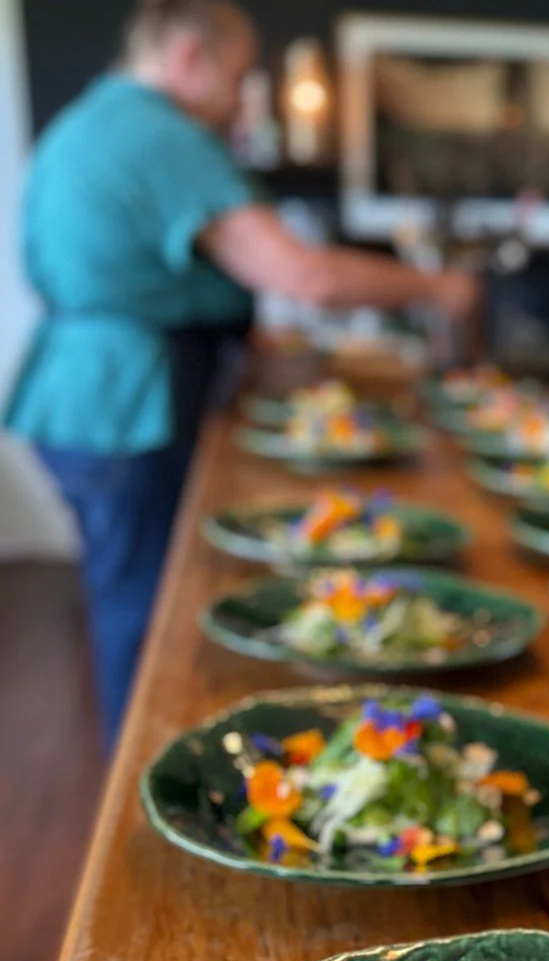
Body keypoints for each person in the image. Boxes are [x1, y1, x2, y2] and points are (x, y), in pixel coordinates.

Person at [3, 0, 477, 745]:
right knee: (145, 610)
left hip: (84, 389)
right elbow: (306, 276)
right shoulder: (160, 132)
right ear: (192, 56)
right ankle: (142, 795)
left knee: (132, 592)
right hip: (124, 399)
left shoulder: (97, 120)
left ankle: (145, 762)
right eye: (238, 77)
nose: (239, 100)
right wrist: (437, 288)